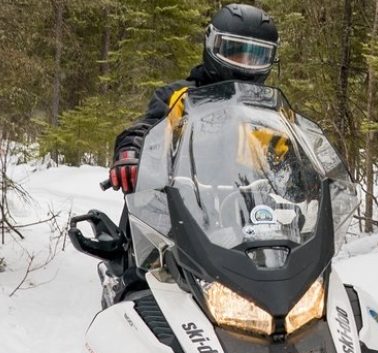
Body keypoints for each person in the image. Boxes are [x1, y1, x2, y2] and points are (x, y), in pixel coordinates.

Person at [97, 3, 280, 305]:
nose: (245, 64)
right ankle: (127, 289)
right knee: (147, 272)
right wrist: (130, 152)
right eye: (234, 51)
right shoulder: (179, 96)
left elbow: (285, 152)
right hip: (177, 201)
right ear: (212, 45)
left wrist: (306, 182)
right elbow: (145, 128)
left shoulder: (269, 111)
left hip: (242, 209)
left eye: (256, 56)